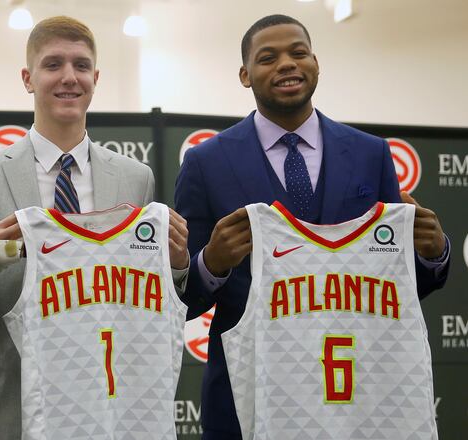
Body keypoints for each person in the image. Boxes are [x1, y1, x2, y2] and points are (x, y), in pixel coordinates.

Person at [175, 14, 449, 439]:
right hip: (250, 393)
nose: (287, 63)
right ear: (245, 75)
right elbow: (182, 298)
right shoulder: (205, 163)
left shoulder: (370, 153)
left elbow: (400, 285)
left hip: (359, 391)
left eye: (298, 53)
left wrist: (433, 254)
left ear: (316, 63)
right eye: (268, 58)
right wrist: (212, 263)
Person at [0, 16, 190, 439]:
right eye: (53, 64)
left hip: (109, 396)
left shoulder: (137, 178)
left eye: (80, 66)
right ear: (28, 78)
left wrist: (178, 265)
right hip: (10, 400)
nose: (68, 78)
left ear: (95, 78)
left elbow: (152, 290)